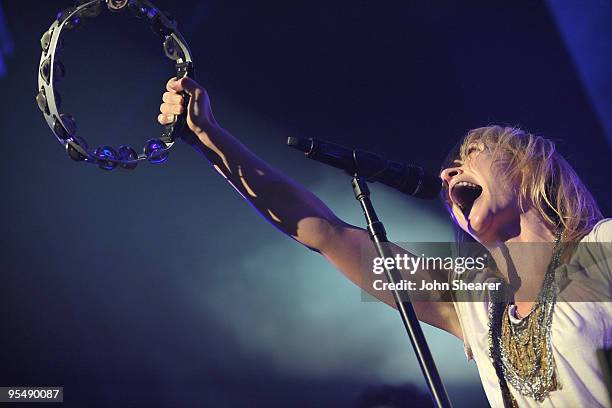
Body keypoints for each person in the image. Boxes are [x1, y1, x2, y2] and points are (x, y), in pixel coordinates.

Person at [158, 76, 611, 407]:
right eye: (449, 166)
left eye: (471, 155)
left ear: (528, 168)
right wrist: (208, 136)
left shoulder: (603, 250)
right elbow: (327, 233)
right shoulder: (474, 297)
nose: (449, 173)